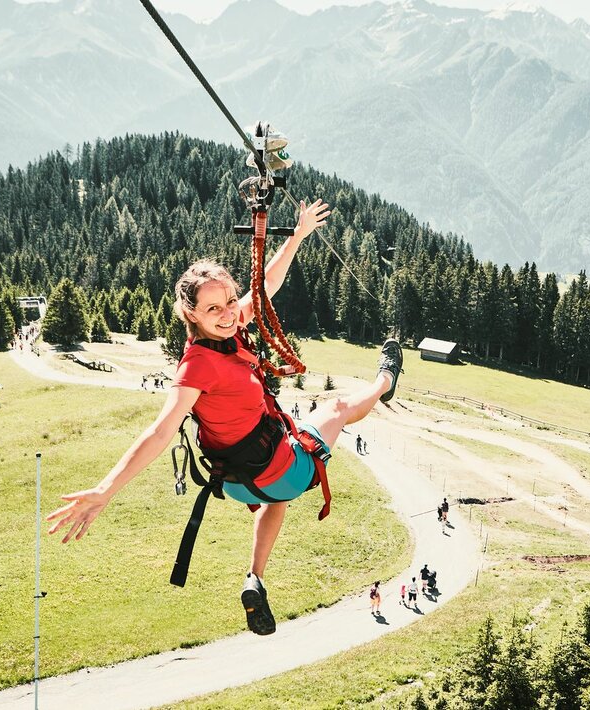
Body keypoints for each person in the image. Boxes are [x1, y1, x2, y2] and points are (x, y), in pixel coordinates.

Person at [47, 198, 405, 637]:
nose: (228, 313)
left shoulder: (228, 332)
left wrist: (297, 235)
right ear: (190, 314)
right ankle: (387, 379)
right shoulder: (196, 366)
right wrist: (105, 490)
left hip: (236, 482)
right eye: (213, 309)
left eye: (230, 301)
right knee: (338, 409)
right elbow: (161, 431)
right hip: (281, 470)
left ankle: (255, 578)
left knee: (276, 501)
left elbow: (265, 287)